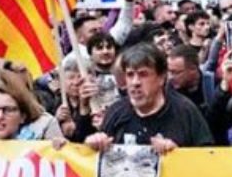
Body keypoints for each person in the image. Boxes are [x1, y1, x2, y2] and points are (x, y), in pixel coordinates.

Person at [83, 43, 214, 154]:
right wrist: (93, 145)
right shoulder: (116, 112)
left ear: (161, 78)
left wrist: (177, 155)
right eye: (130, 75)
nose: (135, 82)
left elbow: (207, 159)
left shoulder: (185, 112)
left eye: (143, 74)